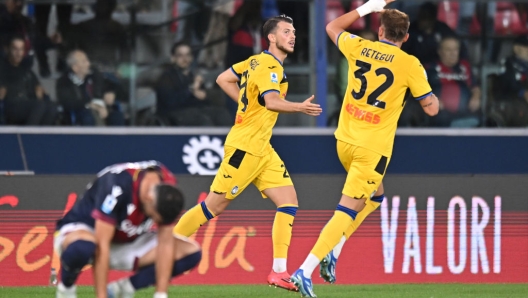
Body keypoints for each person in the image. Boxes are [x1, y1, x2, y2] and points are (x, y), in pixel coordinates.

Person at [290, 1, 439, 297]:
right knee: (346, 210)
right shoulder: (410, 64)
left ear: (380, 30)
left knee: (376, 196)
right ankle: (304, 271)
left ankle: (335, 251)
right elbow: (432, 108)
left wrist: (366, 8)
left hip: (344, 140)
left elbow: (332, 26)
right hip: (371, 149)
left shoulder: (359, 46)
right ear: (406, 37)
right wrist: (423, 94)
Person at [172, 15, 321, 292]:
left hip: (262, 147)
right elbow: (272, 101)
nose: (293, 36)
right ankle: (167, 246)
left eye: (294, 31)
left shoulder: (255, 61)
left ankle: (279, 271)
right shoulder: (269, 66)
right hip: (245, 147)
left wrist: (248, 107)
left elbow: (223, 78)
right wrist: (300, 107)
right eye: (286, 31)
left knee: (288, 202)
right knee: (214, 206)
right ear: (272, 38)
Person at [54, 161, 201, 298]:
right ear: (148, 198)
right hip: (89, 233)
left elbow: (166, 243)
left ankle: (124, 288)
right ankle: (66, 288)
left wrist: (160, 294)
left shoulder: (167, 187)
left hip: (127, 239)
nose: (154, 222)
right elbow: (102, 245)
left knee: (191, 252)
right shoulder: (117, 184)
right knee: (82, 248)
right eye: (154, 217)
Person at [155, 41, 232, 126]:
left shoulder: (194, 76)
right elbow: (170, 102)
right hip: (174, 113)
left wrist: (204, 96)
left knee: (222, 114)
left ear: (192, 58)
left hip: (195, 110)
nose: (185, 59)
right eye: (180, 55)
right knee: (202, 120)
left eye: (188, 55)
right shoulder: (166, 77)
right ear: (173, 58)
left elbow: (201, 101)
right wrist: (191, 89)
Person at [56, 50, 125, 126]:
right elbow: (68, 102)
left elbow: (118, 89)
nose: (88, 64)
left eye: (87, 60)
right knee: (89, 115)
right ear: (75, 68)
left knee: (117, 116)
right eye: (84, 61)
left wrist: (112, 92)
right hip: (80, 114)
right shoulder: (64, 82)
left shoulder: (94, 75)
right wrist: (92, 105)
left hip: (103, 110)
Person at [0, 36, 57, 125]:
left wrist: (40, 91)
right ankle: (29, 136)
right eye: (15, 49)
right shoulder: (3, 69)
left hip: (28, 103)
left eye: (21, 49)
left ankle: (43, 136)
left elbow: (38, 89)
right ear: (7, 49)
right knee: (39, 105)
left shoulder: (27, 71)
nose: (18, 53)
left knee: (52, 106)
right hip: (11, 105)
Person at [426, 36, 481, 127]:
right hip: (441, 113)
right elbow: (418, 90)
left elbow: (475, 87)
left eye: (455, 50)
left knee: (479, 118)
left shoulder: (465, 66)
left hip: (466, 111)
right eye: (448, 50)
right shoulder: (431, 68)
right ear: (440, 52)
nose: (453, 53)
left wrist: (476, 97)